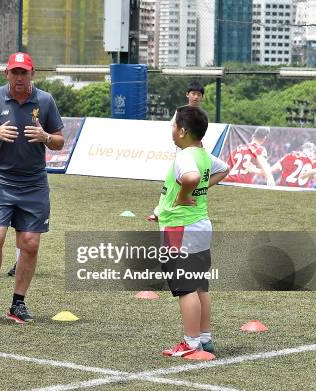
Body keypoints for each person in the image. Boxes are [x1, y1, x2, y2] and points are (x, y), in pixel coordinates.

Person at [0, 52, 65, 323]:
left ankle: (18, 302)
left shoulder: (46, 101)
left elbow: (60, 141)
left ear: (32, 74)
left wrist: (46, 136)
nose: (19, 77)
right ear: (7, 74)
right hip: (0, 181)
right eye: (14, 72)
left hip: (34, 183)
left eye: (24, 72)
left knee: (30, 243)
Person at [157, 105, 229, 358]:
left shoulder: (185, 156)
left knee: (185, 288)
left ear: (183, 131)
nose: (171, 128)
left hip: (180, 228)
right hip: (199, 225)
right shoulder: (203, 154)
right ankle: (204, 339)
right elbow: (224, 169)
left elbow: (190, 177)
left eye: (173, 124)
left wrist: (186, 195)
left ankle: (190, 343)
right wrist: (166, 207)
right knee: (200, 286)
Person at [148, 81, 207, 222]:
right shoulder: (180, 112)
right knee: (174, 184)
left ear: (202, 97)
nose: (196, 97)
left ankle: (173, 207)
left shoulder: (201, 114)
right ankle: (159, 211)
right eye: (193, 93)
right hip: (183, 153)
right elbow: (175, 131)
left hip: (196, 153)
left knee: (192, 182)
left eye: (199, 94)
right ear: (187, 94)